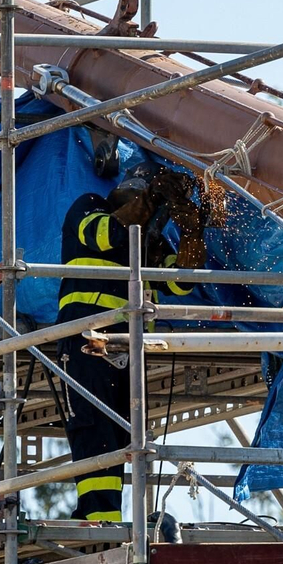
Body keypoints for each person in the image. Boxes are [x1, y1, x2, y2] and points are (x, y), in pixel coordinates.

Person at [56, 160, 206, 522]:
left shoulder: (144, 241)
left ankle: (110, 517)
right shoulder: (90, 206)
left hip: (128, 348)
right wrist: (152, 199)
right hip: (87, 339)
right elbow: (106, 233)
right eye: (144, 197)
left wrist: (191, 231)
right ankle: (97, 519)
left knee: (124, 434)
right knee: (94, 428)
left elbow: (181, 280)